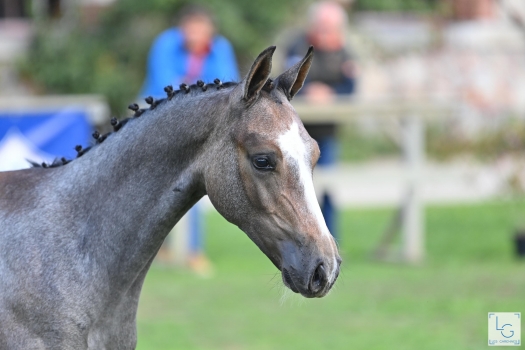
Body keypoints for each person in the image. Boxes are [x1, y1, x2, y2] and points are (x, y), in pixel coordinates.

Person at [141, 5, 240, 274]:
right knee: (153, 188)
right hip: (157, 121)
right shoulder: (165, 44)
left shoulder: (220, 48)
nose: (195, 33)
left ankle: (192, 250)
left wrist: (192, 85)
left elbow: (229, 87)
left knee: (192, 184)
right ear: (181, 28)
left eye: (201, 28)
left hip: (201, 127)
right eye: (190, 27)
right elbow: (165, 88)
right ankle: (157, 249)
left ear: (210, 30)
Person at [285, 0, 357, 240]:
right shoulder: (297, 46)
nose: (325, 30)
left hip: (327, 132)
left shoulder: (345, 52)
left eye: (331, 26)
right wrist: (309, 92)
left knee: (327, 187)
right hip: (297, 131)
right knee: (297, 188)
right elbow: (286, 82)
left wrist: (331, 94)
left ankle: (329, 240)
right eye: (322, 25)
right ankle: (300, 239)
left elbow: (350, 87)